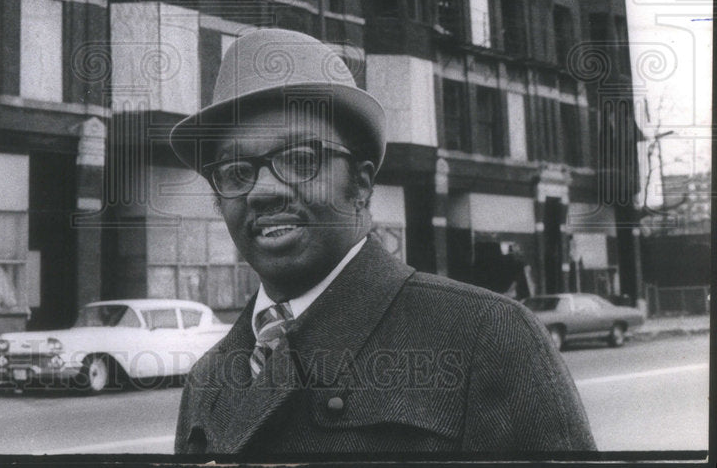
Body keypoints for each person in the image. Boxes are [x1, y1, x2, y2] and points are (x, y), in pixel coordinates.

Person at [169, 28, 595, 455]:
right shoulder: (209, 379)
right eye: (235, 172)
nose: (261, 190)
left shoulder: (487, 336)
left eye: (299, 160)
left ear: (361, 183)